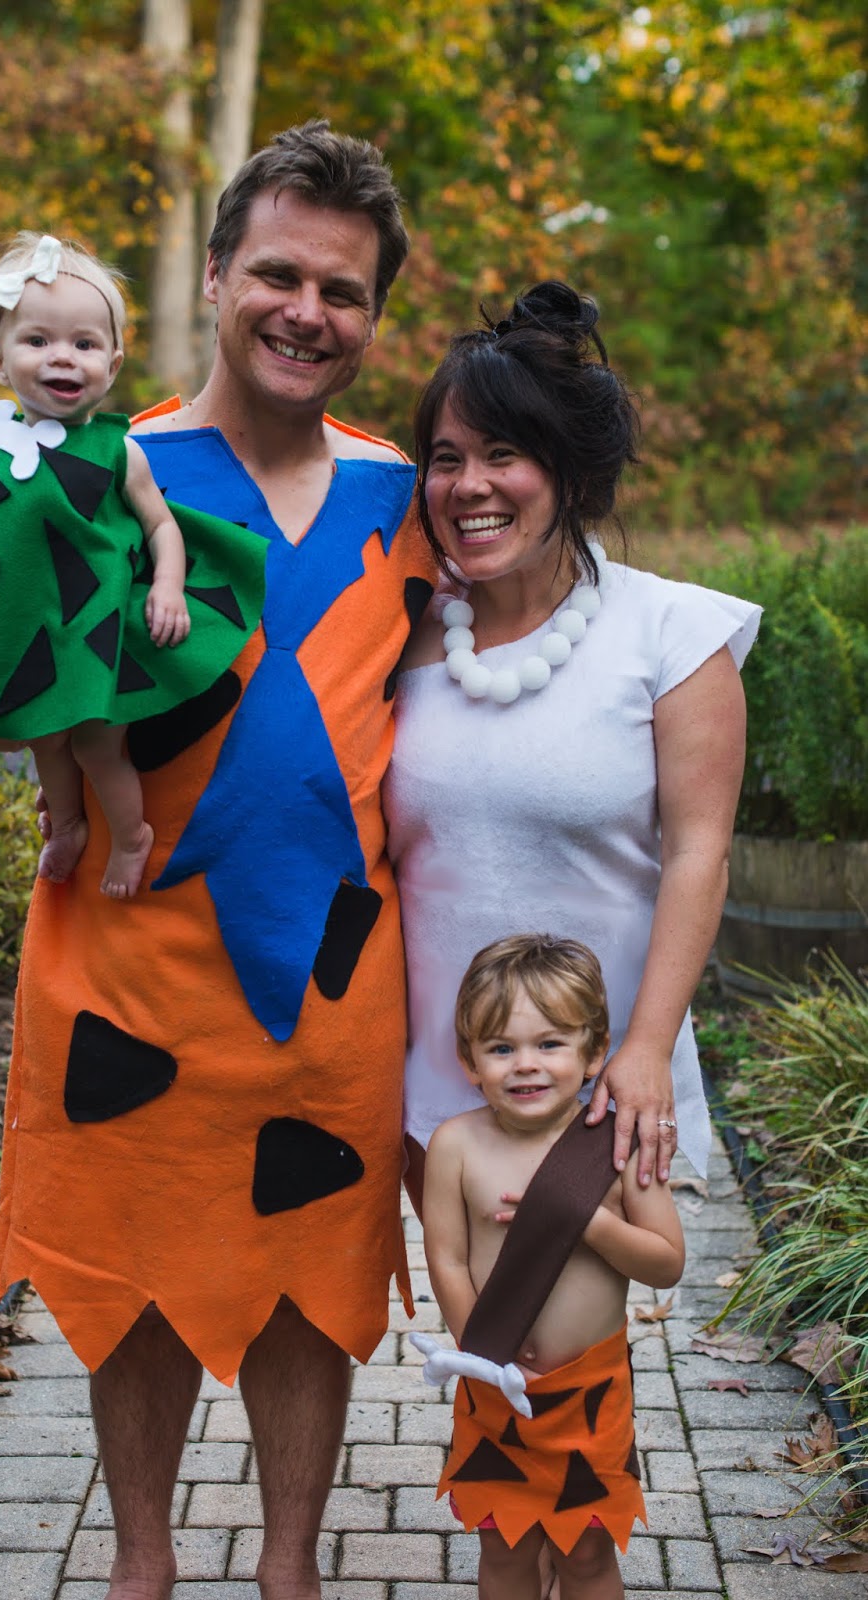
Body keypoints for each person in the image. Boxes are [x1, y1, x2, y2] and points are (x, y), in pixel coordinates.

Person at [0, 125, 435, 1600]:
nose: (310, 312)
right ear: (218, 276)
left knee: (314, 1287)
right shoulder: (105, 470)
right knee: (136, 1276)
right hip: (127, 968)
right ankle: (140, 1569)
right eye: (281, 274)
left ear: (375, 317)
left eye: (346, 292)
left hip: (330, 974)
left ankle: (294, 1571)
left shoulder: (409, 499)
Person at [384, 281, 762, 1211]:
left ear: (570, 475)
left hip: (598, 1075)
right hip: (435, 1072)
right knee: (478, 1336)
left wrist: (643, 1048)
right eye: (445, 458)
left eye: (503, 454)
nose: (468, 485)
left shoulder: (672, 635)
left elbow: (699, 858)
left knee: (571, 1338)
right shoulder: (400, 633)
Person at [0, 231, 266, 898]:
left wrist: (171, 588)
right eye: (38, 341)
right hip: (30, 623)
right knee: (44, 737)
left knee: (95, 744)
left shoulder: (120, 452)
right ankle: (65, 824)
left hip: (95, 624)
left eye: (84, 344)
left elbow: (162, 528)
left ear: (113, 362)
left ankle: (131, 837)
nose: (62, 357)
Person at [417, 934, 684, 1600]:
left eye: (550, 1044)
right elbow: (447, 1259)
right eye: (501, 1048)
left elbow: (667, 1263)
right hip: (495, 1390)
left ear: (596, 1053)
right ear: (468, 1061)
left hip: (587, 1396)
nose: (525, 1066)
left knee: (587, 1552)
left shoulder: (617, 1147)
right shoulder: (455, 1145)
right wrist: (481, 1354)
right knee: (503, 1547)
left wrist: (588, 1220)